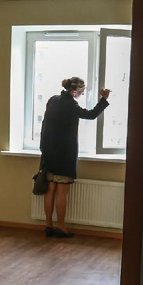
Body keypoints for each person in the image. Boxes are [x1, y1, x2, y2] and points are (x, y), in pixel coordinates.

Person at [39, 76, 110, 238]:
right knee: (61, 192)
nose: (82, 94)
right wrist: (103, 99)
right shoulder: (71, 104)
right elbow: (91, 115)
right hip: (64, 154)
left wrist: (43, 148)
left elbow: (45, 124)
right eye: (82, 91)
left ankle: (48, 226)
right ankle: (61, 227)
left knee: (50, 191)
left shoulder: (52, 100)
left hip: (49, 153)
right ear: (74, 91)